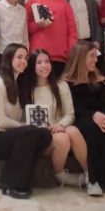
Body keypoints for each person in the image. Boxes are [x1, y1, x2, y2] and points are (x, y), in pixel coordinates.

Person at [0, 44, 52, 199]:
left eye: (26, 58)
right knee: (31, 132)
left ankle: (12, 179)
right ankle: (12, 183)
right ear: (9, 59)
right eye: (19, 57)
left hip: (16, 135)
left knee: (44, 134)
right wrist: (25, 126)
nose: (24, 61)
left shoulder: (20, 84)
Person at [63, 41, 105, 196]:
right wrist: (93, 115)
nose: (96, 60)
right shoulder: (67, 83)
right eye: (92, 56)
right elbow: (71, 109)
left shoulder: (101, 81)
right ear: (81, 58)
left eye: (96, 56)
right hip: (79, 118)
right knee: (94, 131)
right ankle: (94, 178)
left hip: (100, 117)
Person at [28, 49, 86, 187]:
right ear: (32, 66)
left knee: (72, 131)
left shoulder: (61, 85)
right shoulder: (27, 89)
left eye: (47, 61)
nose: (44, 66)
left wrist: (60, 125)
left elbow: (70, 114)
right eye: (39, 62)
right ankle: (59, 174)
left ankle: (91, 174)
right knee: (62, 138)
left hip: (60, 129)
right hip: (42, 136)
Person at [26, 0, 77, 77]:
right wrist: (38, 25)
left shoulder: (64, 4)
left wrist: (70, 51)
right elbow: (25, 29)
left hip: (60, 55)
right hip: (38, 54)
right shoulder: (31, 3)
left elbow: (72, 31)